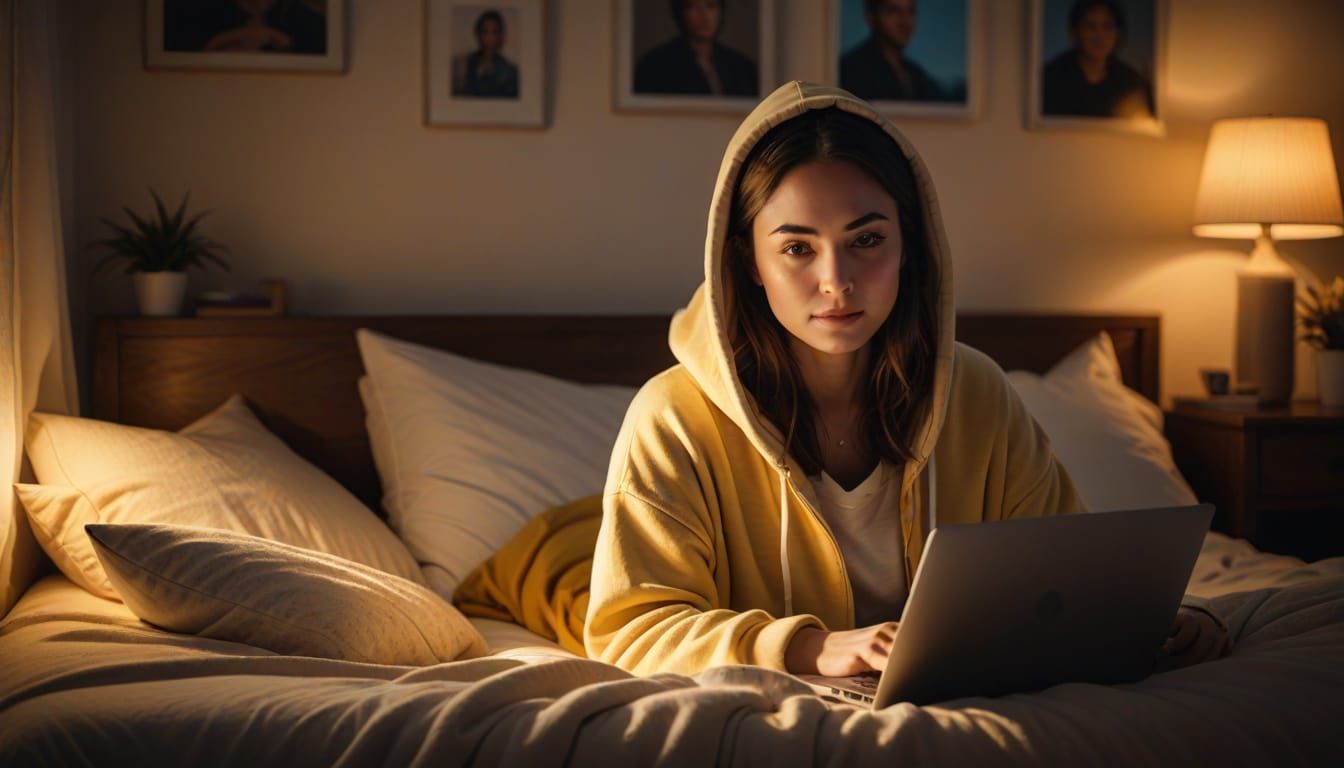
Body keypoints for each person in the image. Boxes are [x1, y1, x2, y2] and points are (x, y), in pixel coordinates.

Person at [584, 81, 1229, 679]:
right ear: (749, 261)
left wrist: (1157, 618)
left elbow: (1066, 573)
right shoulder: (671, 417)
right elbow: (629, 632)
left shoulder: (976, 393)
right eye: (797, 247)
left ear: (908, 246)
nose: (836, 279)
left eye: (866, 240)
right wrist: (811, 646)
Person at [1041, 0, 1155, 119]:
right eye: (1090, 26)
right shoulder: (1052, 77)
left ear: (1118, 33)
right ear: (1074, 32)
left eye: (1107, 27)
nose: (1099, 35)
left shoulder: (1131, 82)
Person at [633, 0, 758, 97]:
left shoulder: (741, 67)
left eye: (711, 6)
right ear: (680, 12)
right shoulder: (655, 65)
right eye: (693, 6)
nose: (704, 16)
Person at [839, 0, 952, 103]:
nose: (905, 22)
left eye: (910, 12)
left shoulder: (916, 75)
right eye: (893, 11)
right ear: (871, 18)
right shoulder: (852, 69)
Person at [451, 10, 520, 99]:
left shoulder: (511, 72)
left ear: (501, 36)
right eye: (485, 32)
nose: (489, 38)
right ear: (478, 34)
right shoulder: (463, 66)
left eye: (494, 32)